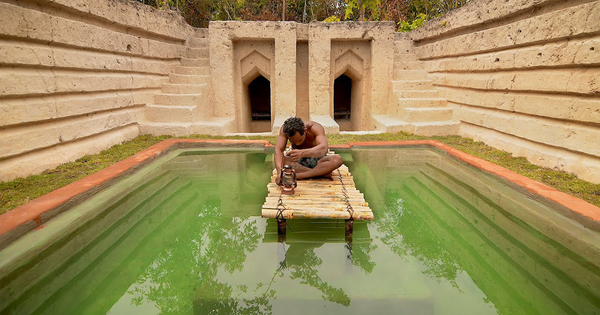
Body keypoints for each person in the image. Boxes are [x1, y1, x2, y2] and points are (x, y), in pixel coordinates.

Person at [274, 117, 343, 184]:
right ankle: (319, 173)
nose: (297, 144)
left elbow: (324, 148)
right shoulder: (286, 130)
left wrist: (302, 153)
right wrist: (279, 173)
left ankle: (299, 176)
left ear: (305, 131)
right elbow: (278, 150)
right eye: (293, 142)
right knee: (282, 160)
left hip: (317, 160)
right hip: (299, 163)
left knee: (337, 159)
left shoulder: (315, 127)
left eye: (299, 140)